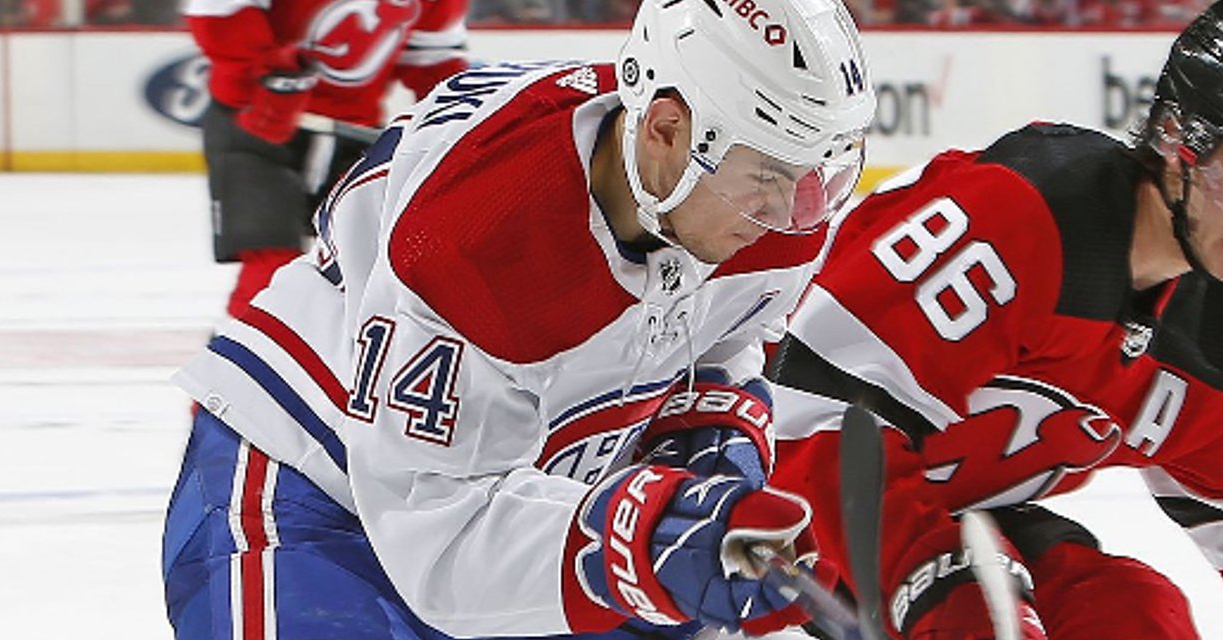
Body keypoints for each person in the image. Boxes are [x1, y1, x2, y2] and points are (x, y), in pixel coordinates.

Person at [160, 0, 876, 638]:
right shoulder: (482, 233)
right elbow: (440, 540)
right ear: (665, 129)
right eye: (770, 177)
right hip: (317, 487)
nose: (793, 213)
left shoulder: (770, 204)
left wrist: (710, 447)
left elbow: (727, 341)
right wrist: (647, 542)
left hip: (526, 489)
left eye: (821, 175)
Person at [767, 0, 1223, 638]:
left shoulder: (1219, 329)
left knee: (1135, 615)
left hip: (964, 518)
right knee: (985, 614)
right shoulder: (1020, 217)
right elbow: (808, 409)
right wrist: (929, 581)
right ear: (1173, 138)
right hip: (788, 507)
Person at [184, 0, 470, 321]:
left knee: (369, 262)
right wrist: (264, 73)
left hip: (350, 133)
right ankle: (239, 357)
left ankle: (353, 357)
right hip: (255, 126)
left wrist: (454, 122)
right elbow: (218, 12)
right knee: (272, 262)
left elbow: (434, 61)